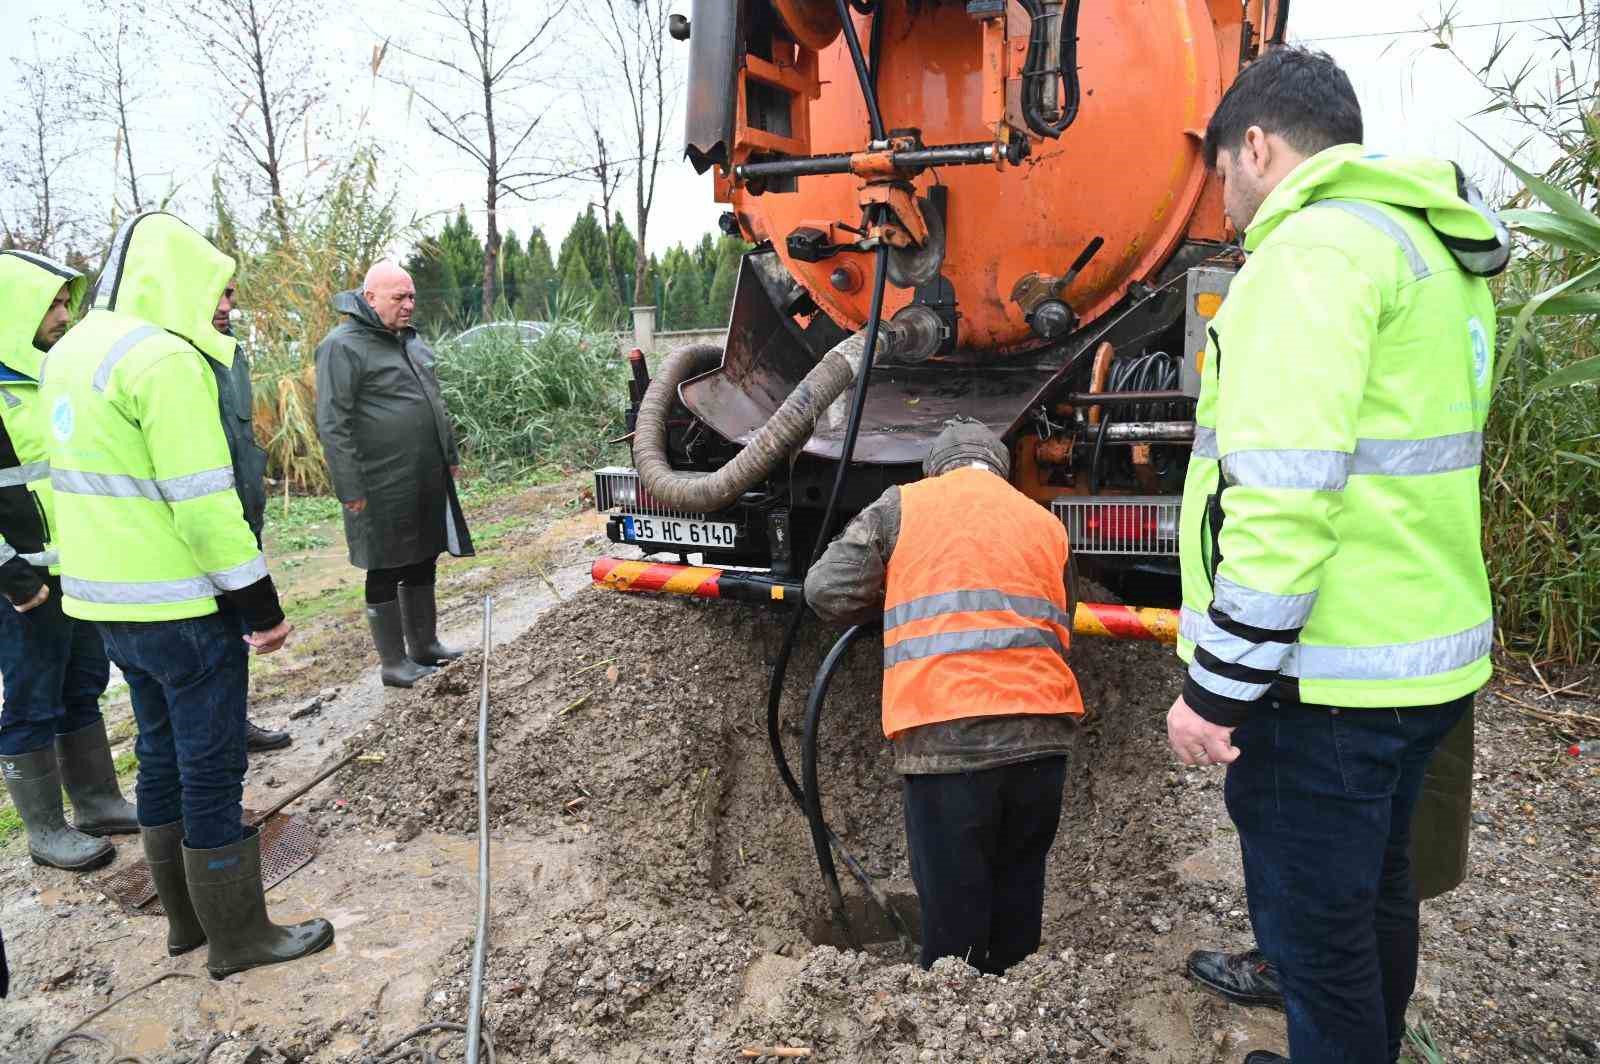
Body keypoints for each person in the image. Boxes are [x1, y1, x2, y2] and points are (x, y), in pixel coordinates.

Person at [1164, 48, 1508, 1064]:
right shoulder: (1424, 247)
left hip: (1323, 685)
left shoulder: (1305, 257)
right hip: (1420, 657)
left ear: (1258, 147)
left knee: (1318, 948)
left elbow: (1283, 496)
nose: (1222, 199)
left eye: (1222, 169)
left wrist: (1216, 689)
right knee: (1376, 900)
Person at [42, 210, 332, 976]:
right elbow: (203, 503)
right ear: (172, 279)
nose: (221, 306)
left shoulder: (71, 353)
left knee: (162, 756)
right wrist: (260, 607)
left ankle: (186, 924)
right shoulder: (162, 360)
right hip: (181, 607)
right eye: (214, 290)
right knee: (211, 766)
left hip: (110, 607)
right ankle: (240, 937)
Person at [805, 418, 1083, 975]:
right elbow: (1064, 617)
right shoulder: (1044, 522)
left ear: (934, 469)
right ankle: (1014, 1019)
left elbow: (825, 590)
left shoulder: (902, 506)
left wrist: (893, 589)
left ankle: (954, 1027)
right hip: (1041, 743)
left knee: (953, 922)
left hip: (948, 741)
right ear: (1000, 469)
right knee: (1018, 896)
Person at [0, 250, 138, 872]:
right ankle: (45, 830)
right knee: (32, 700)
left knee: (83, 684)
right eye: (51, 305)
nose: (63, 316)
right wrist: (12, 576)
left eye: (65, 303)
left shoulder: (51, 374)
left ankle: (99, 801)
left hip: (76, 566)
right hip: (22, 580)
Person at [314, 261, 473, 688]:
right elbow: (333, 422)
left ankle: (424, 646)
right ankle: (393, 663)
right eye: (398, 297)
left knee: (423, 554)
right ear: (370, 298)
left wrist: (449, 454)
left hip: (423, 473)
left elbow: (433, 402)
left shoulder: (408, 341)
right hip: (378, 480)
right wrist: (349, 485)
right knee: (383, 565)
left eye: (412, 296)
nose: (409, 305)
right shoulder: (342, 346)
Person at [209, 278, 291, 752]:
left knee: (235, 636)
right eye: (215, 295)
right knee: (206, 649)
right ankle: (217, 736)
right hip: (205, 523)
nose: (227, 307)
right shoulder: (175, 363)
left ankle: (235, 722)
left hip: (239, 516)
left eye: (232, 295)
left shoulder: (231, 354)